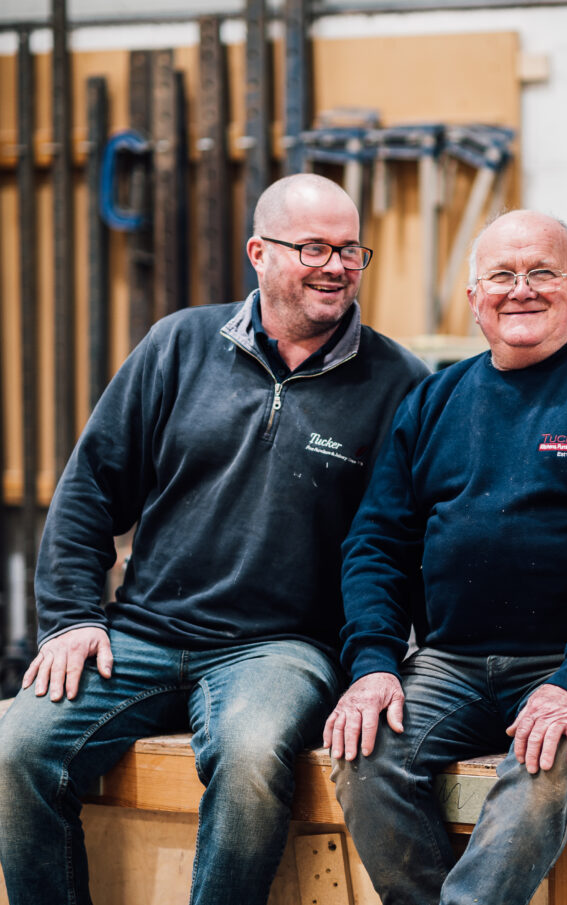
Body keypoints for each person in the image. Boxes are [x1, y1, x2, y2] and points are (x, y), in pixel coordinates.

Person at [0, 173, 429, 905]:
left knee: (252, 753)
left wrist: (381, 659)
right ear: (260, 252)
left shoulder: (401, 383)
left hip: (283, 647)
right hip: (139, 632)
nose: (337, 266)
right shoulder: (179, 344)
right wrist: (72, 616)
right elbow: (90, 487)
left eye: (351, 249)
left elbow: (403, 545)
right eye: (314, 247)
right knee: (18, 750)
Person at [323, 210, 567, 905]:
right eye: (501, 275)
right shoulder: (433, 402)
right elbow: (375, 542)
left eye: (543, 273)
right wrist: (374, 664)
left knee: (544, 763)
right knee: (363, 750)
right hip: (455, 661)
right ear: (475, 299)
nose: (520, 289)